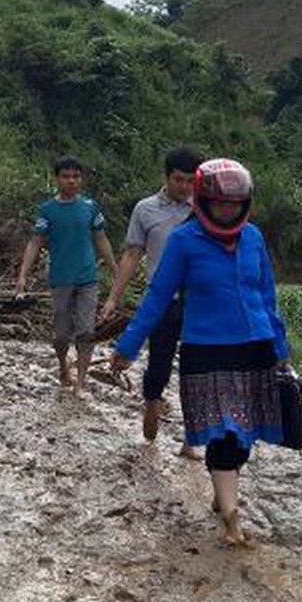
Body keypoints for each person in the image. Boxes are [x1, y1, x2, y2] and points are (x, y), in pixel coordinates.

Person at [111, 159, 290, 546]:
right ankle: (231, 517)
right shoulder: (184, 241)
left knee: (243, 435)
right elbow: (158, 297)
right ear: (203, 202)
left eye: (235, 203)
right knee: (224, 432)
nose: (228, 210)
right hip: (207, 352)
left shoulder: (254, 238)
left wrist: (280, 345)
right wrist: (128, 345)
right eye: (220, 203)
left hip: (255, 349)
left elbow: (267, 295)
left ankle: (222, 487)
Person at [100, 148, 203, 459]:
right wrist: (114, 297)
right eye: (178, 180)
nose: (185, 186)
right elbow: (133, 254)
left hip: (198, 301)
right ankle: (152, 402)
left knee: (196, 368)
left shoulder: (206, 210)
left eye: (190, 181)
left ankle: (191, 438)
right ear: (166, 177)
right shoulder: (146, 210)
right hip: (162, 300)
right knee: (159, 362)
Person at [16, 157, 119, 394]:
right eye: (66, 176)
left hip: (87, 277)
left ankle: (81, 382)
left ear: (81, 179)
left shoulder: (90, 207)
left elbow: (101, 238)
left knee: (86, 332)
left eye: (76, 176)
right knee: (61, 335)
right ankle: (63, 364)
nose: (71, 181)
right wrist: (23, 274)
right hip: (60, 278)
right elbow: (35, 242)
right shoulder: (47, 210)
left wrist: (115, 270)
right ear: (57, 179)